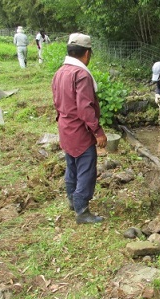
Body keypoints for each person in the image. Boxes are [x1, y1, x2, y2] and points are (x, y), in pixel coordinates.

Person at [52, 33, 107, 224]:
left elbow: (57, 100)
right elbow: (85, 107)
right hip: (79, 131)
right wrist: (97, 130)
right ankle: (82, 210)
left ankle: (71, 200)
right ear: (86, 54)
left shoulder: (60, 72)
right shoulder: (81, 74)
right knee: (86, 169)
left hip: (65, 128)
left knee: (72, 166)